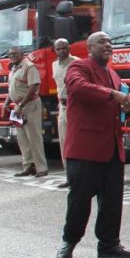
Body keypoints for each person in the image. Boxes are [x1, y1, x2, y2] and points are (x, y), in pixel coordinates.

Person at [55, 32, 130, 258]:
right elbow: (78, 88)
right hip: (86, 149)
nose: (108, 45)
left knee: (112, 201)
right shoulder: (78, 67)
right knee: (80, 201)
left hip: (112, 147)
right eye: (102, 42)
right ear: (89, 48)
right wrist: (113, 94)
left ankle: (109, 244)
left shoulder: (113, 73)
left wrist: (128, 105)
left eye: (110, 42)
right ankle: (69, 241)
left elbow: (118, 105)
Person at [4, 47, 48, 177]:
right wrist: (6, 103)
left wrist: (21, 105)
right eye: (10, 54)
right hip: (18, 107)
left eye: (15, 54)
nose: (12, 56)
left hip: (30, 105)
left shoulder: (29, 66)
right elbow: (11, 87)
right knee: (22, 139)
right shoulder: (13, 68)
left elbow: (33, 86)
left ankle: (41, 168)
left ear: (22, 54)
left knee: (34, 138)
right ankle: (28, 166)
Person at [51, 39, 75, 189]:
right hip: (62, 107)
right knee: (63, 141)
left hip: (75, 106)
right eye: (58, 49)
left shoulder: (76, 63)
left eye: (64, 48)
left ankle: (80, 176)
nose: (61, 51)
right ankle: (69, 176)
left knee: (77, 142)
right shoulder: (54, 65)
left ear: (69, 48)